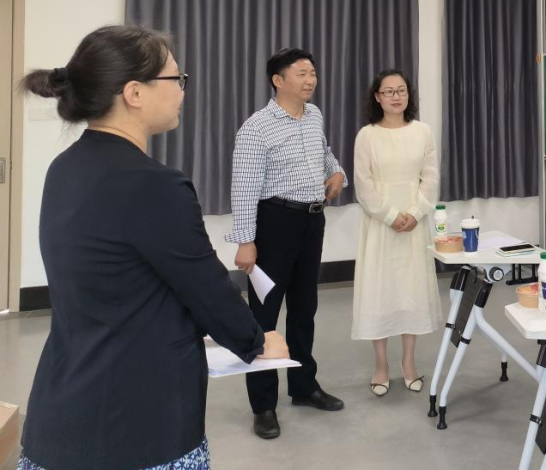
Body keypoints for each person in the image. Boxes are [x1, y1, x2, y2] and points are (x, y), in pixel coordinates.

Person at [17, 25, 288, 470]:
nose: (182, 91)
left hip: (62, 408)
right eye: (176, 78)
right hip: (137, 422)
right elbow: (207, 287)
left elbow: (119, 279)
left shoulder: (64, 168)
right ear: (135, 93)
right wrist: (257, 342)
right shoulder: (154, 185)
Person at [227, 47, 347, 439]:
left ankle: (304, 386)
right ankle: (263, 405)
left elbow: (324, 154)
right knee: (264, 317)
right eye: (301, 73)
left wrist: (337, 172)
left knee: (304, 309)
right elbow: (244, 189)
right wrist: (246, 241)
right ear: (278, 80)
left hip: (312, 221)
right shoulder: (257, 127)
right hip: (274, 223)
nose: (310, 79)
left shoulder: (314, 116)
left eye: (312, 72)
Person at [351, 69, 441, 396]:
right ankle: (381, 364)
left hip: (414, 225)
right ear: (377, 97)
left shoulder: (422, 132)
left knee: (410, 291)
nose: (395, 96)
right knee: (380, 292)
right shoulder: (367, 135)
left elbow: (430, 179)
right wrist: (390, 216)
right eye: (388, 91)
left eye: (401, 90)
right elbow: (363, 184)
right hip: (380, 224)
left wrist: (415, 213)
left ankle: (408, 362)